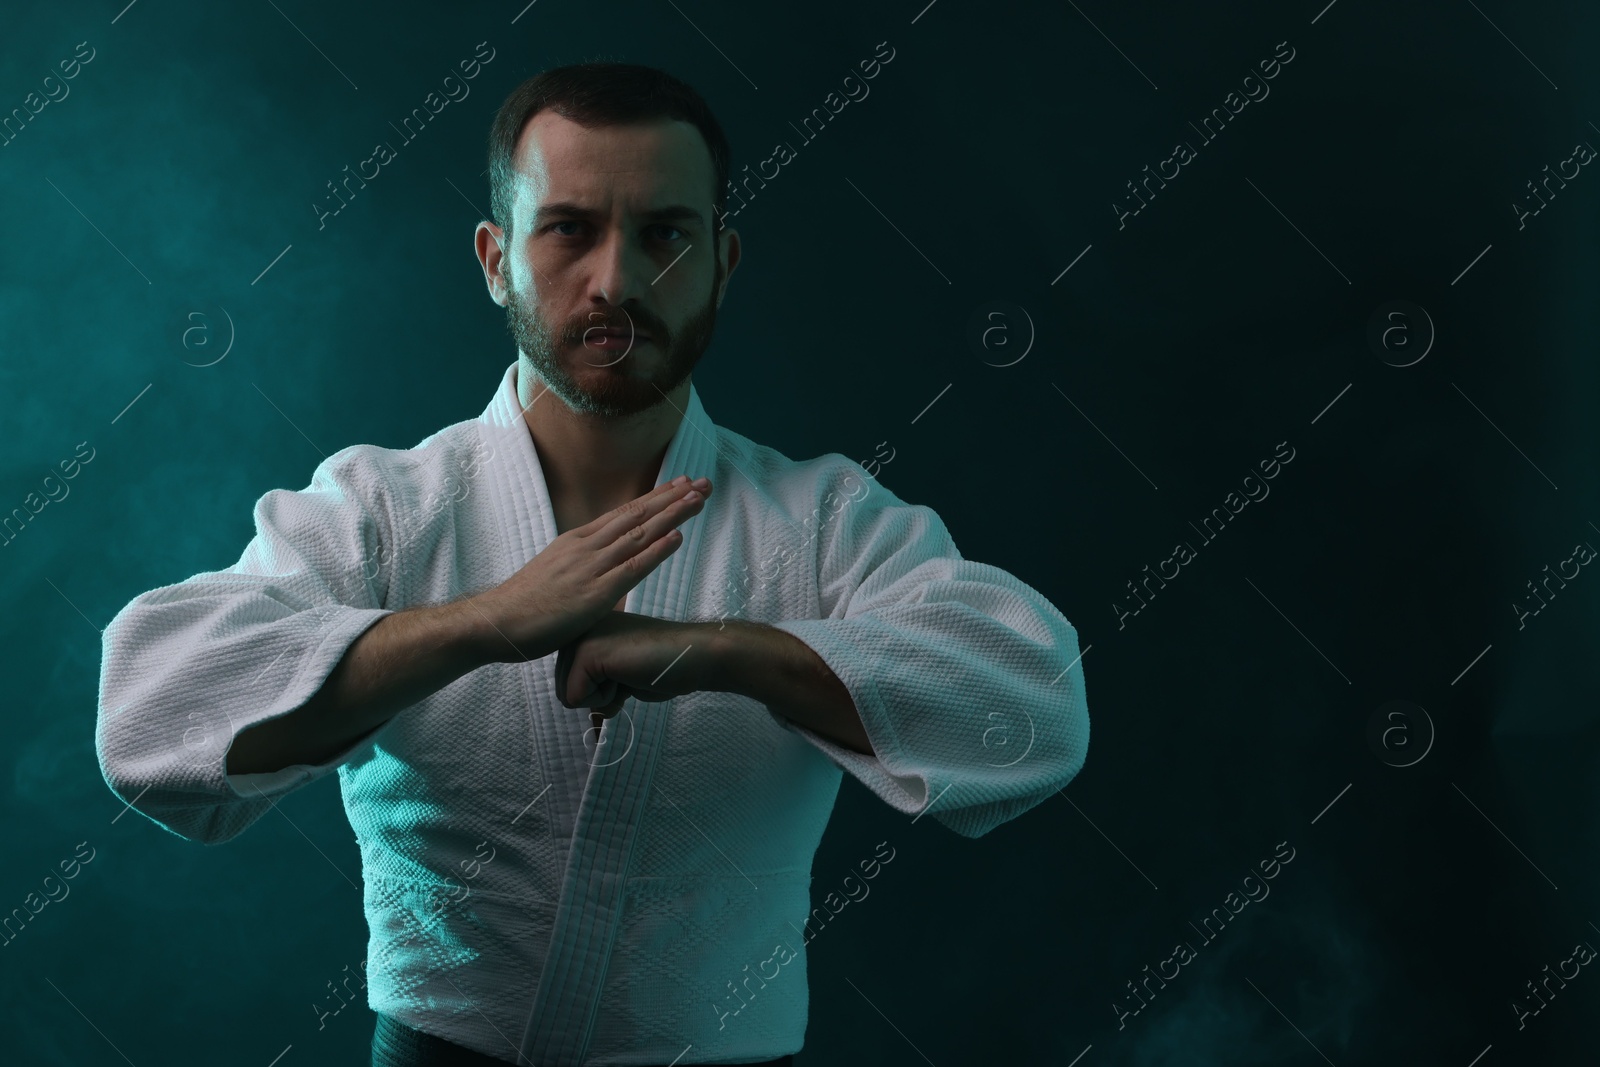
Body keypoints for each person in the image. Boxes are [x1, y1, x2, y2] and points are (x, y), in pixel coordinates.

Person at [94, 62, 1091, 1067]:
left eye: (664, 233)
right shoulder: (386, 509)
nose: (616, 280)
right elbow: (148, 713)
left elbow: (1036, 704)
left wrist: (722, 651)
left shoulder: (820, 520)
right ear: (494, 259)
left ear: (722, 262)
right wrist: (484, 622)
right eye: (568, 228)